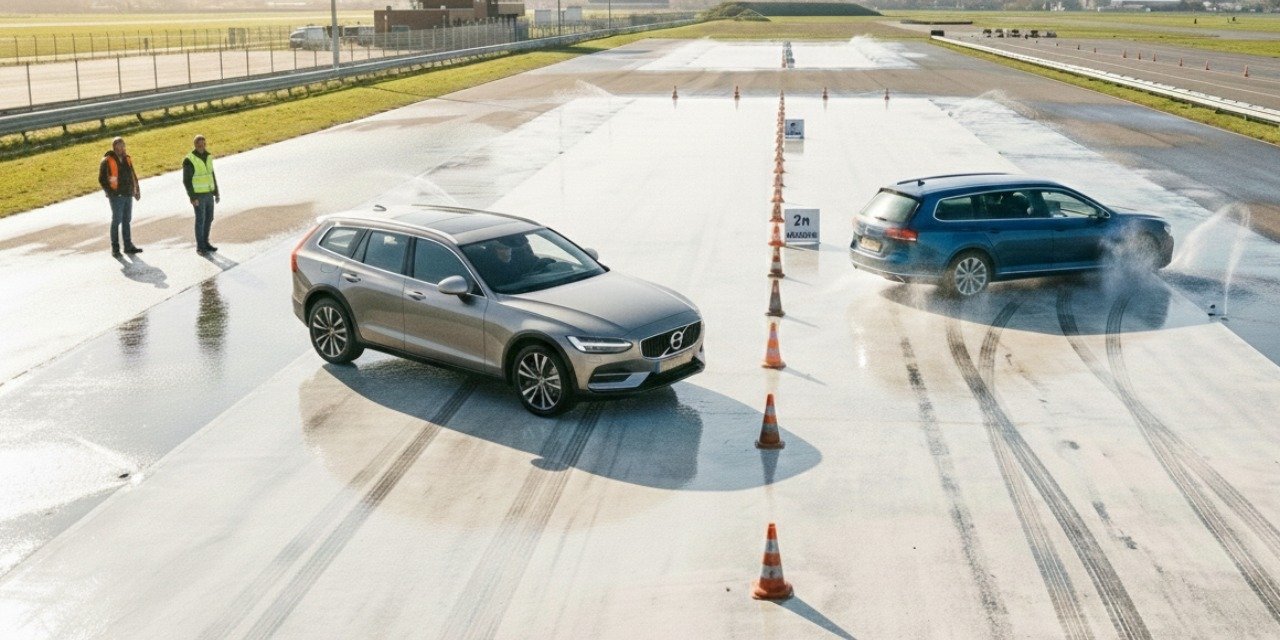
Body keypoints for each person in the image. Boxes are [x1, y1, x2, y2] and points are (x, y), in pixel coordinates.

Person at [98, 137, 142, 257]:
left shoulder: (127, 159)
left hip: (128, 193)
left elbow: (132, 174)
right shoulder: (107, 161)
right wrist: (110, 192)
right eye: (120, 146)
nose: (122, 148)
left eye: (123, 146)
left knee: (127, 220)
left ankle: (128, 246)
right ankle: (115, 248)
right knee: (116, 220)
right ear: (114, 148)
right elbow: (102, 179)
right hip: (116, 196)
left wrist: (136, 190)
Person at [183, 134, 220, 254]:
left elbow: (211, 175)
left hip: (209, 193)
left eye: (203, 144)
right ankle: (200, 247)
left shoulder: (208, 156)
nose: (201, 147)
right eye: (199, 145)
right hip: (198, 196)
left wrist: (216, 192)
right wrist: (192, 197)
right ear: (195, 145)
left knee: (209, 218)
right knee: (200, 220)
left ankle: (206, 242)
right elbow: (187, 181)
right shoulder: (189, 160)